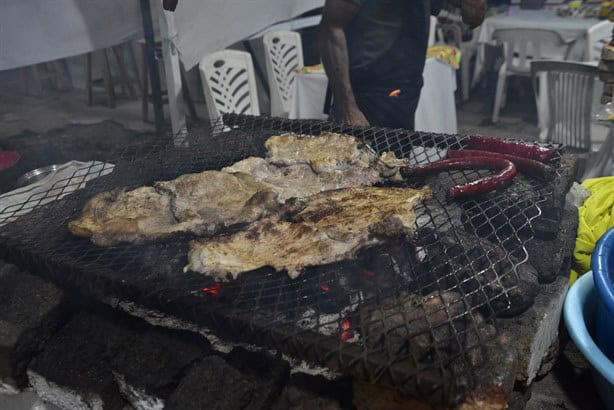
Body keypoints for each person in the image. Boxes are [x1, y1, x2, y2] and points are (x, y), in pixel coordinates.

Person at [318, 0, 487, 129]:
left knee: (395, 166)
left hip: (404, 91)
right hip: (364, 94)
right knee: (357, 169)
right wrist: (347, 107)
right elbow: (331, 29)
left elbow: (456, 10)